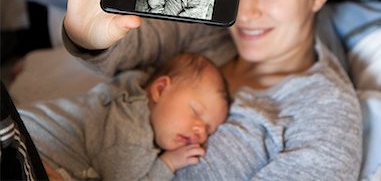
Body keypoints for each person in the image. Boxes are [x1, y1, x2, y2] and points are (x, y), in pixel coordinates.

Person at [63, 0, 363, 180]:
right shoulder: (206, 33)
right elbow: (130, 44)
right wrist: (84, 33)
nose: (245, 12)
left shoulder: (326, 111)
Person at [19, 53, 230, 180]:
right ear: (159, 89)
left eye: (209, 129)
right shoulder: (132, 132)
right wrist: (168, 165)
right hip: (33, 149)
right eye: (195, 112)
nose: (200, 131)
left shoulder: (134, 86)